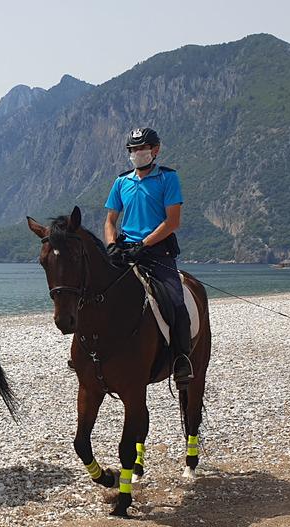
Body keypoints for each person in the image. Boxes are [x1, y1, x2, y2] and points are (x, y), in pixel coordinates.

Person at [103, 127, 193, 388]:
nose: (137, 154)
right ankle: (87, 353)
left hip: (156, 252)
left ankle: (181, 359)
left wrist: (144, 244)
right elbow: (110, 220)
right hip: (125, 251)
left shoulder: (167, 179)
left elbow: (172, 221)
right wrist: (111, 245)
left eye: (141, 149)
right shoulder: (121, 182)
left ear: (155, 150)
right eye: (133, 150)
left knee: (175, 300)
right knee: (93, 291)